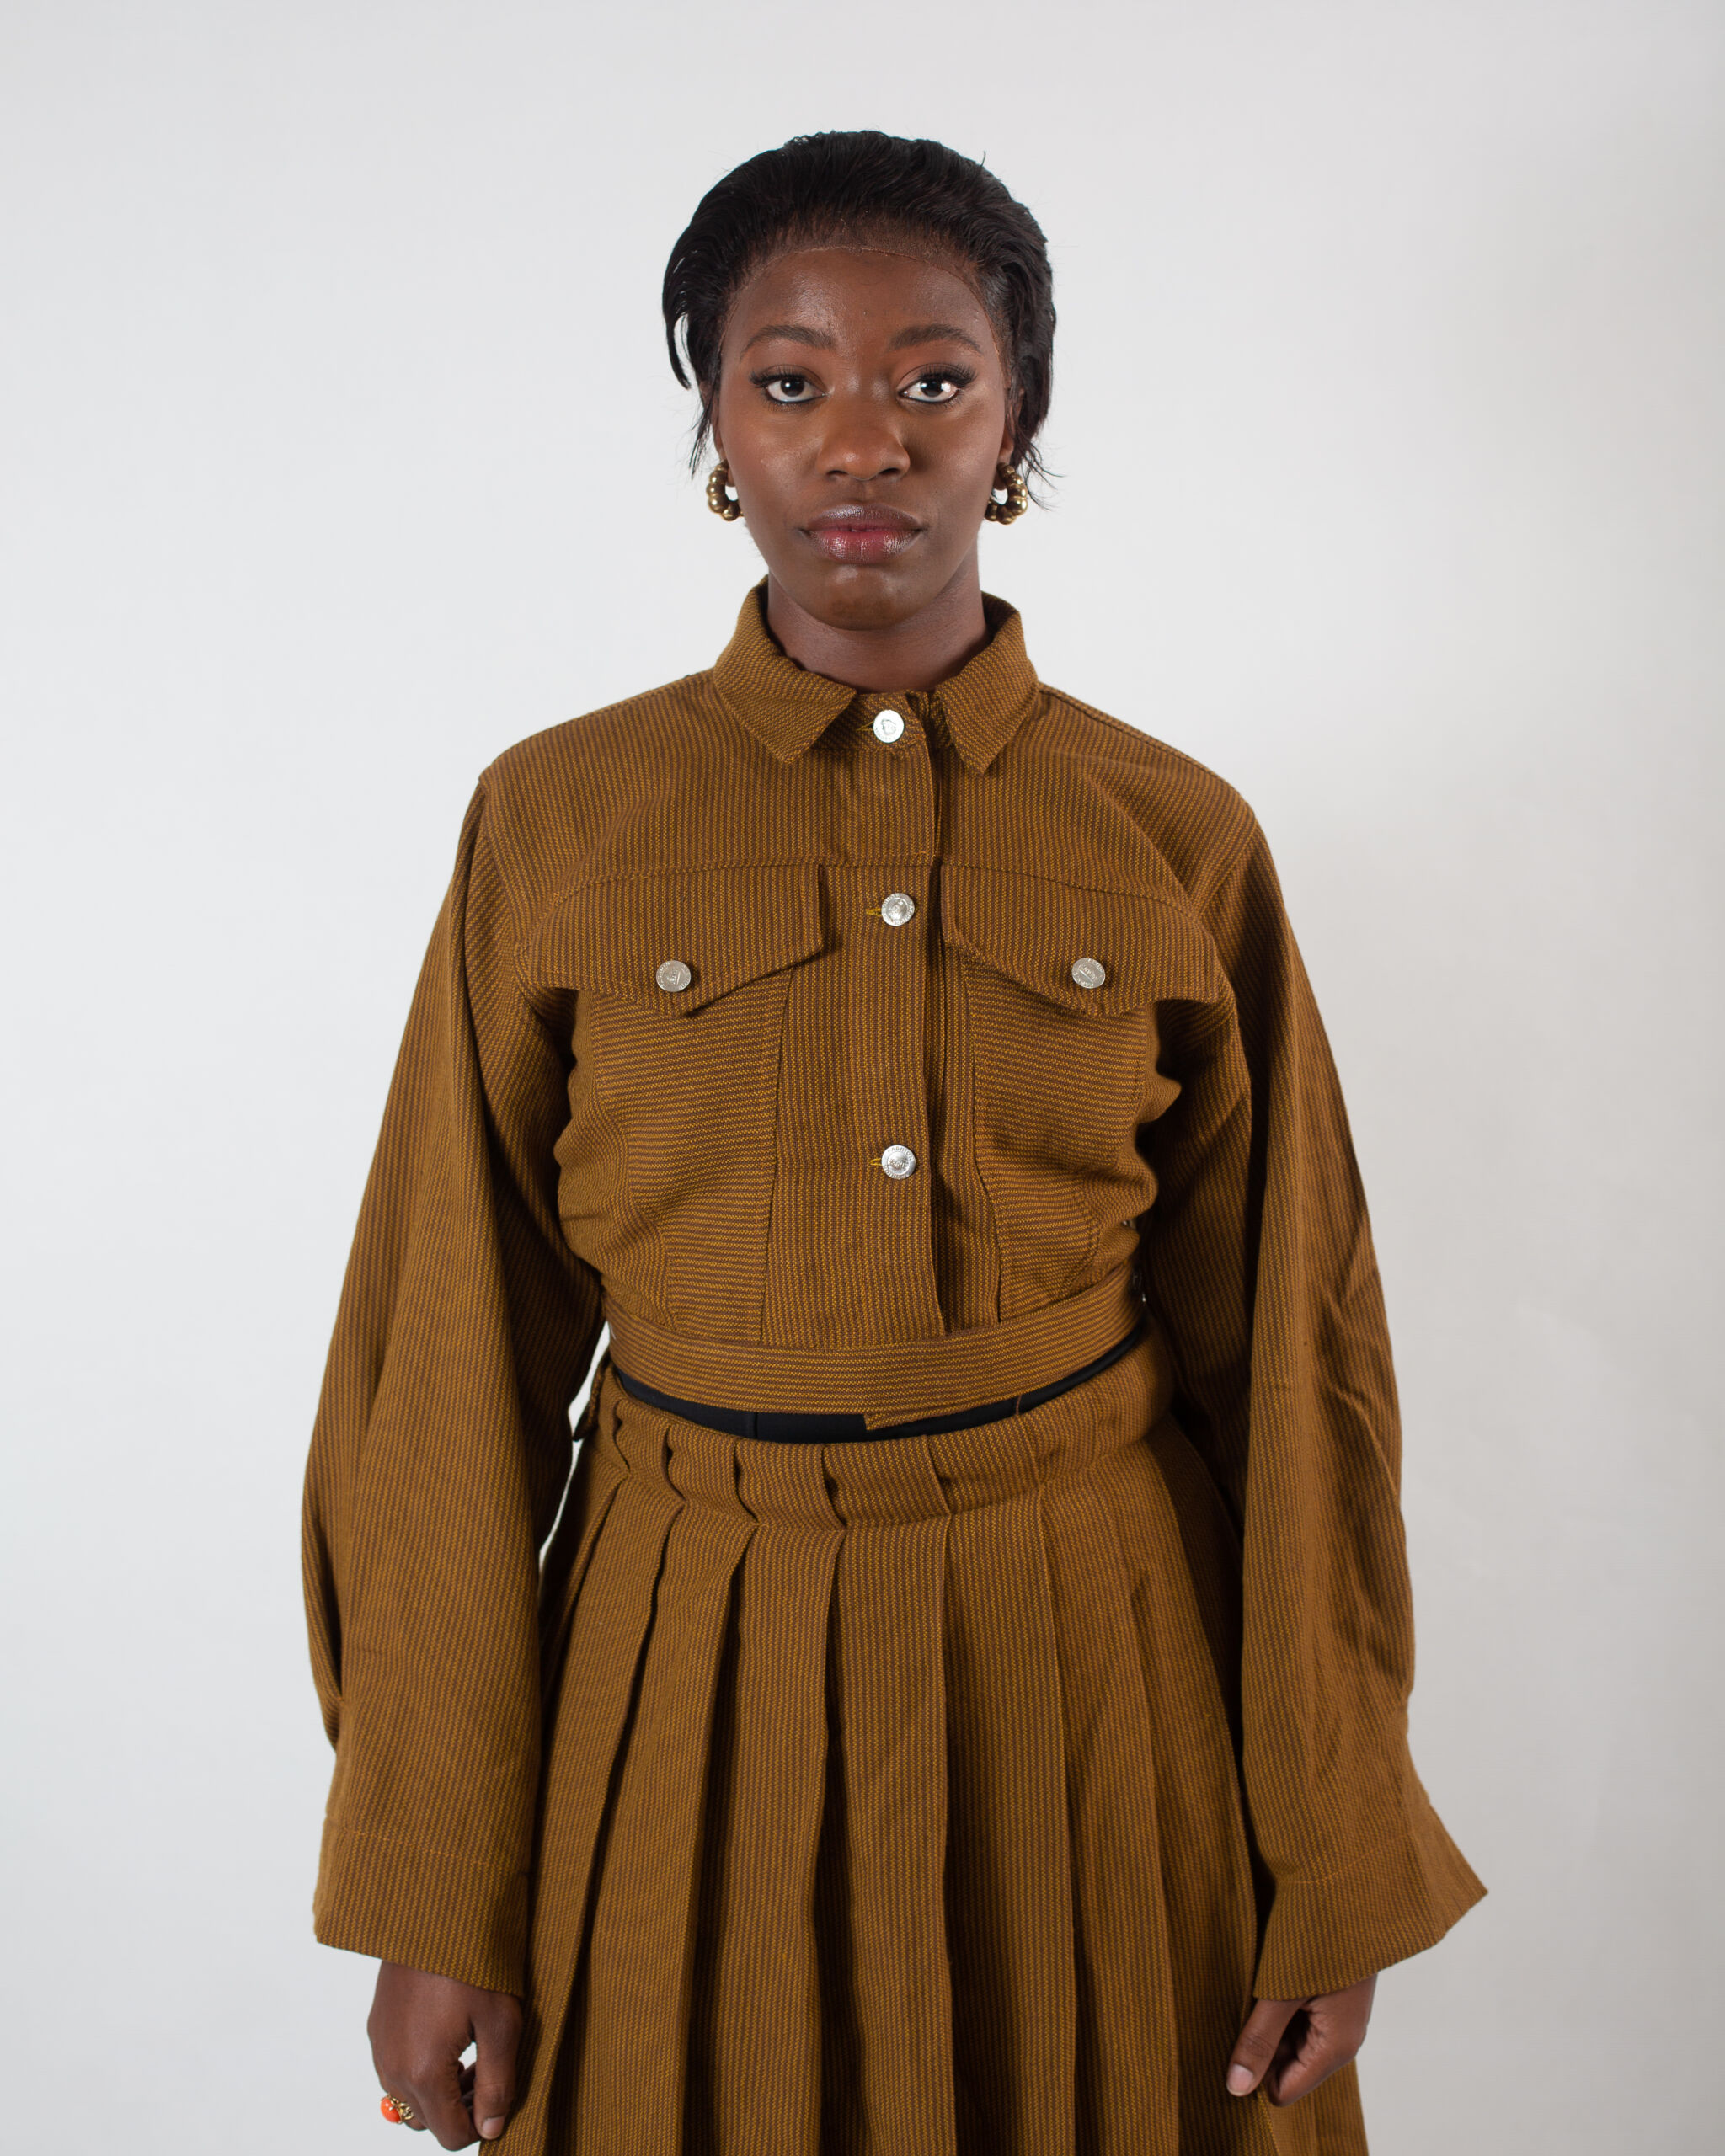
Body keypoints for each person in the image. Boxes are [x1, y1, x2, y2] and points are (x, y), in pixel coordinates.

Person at [301, 129, 1485, 2155]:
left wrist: (1331, 1842)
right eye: (791, 380)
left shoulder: (1173, 835)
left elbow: (1297, 1369)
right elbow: (443, 1366)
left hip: (1093, 1649)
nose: (866, 439)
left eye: (934, 377)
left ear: (1017, 420)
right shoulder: (557, 820)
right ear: (715, 427)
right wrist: (435, 1878)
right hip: (682, 1648)